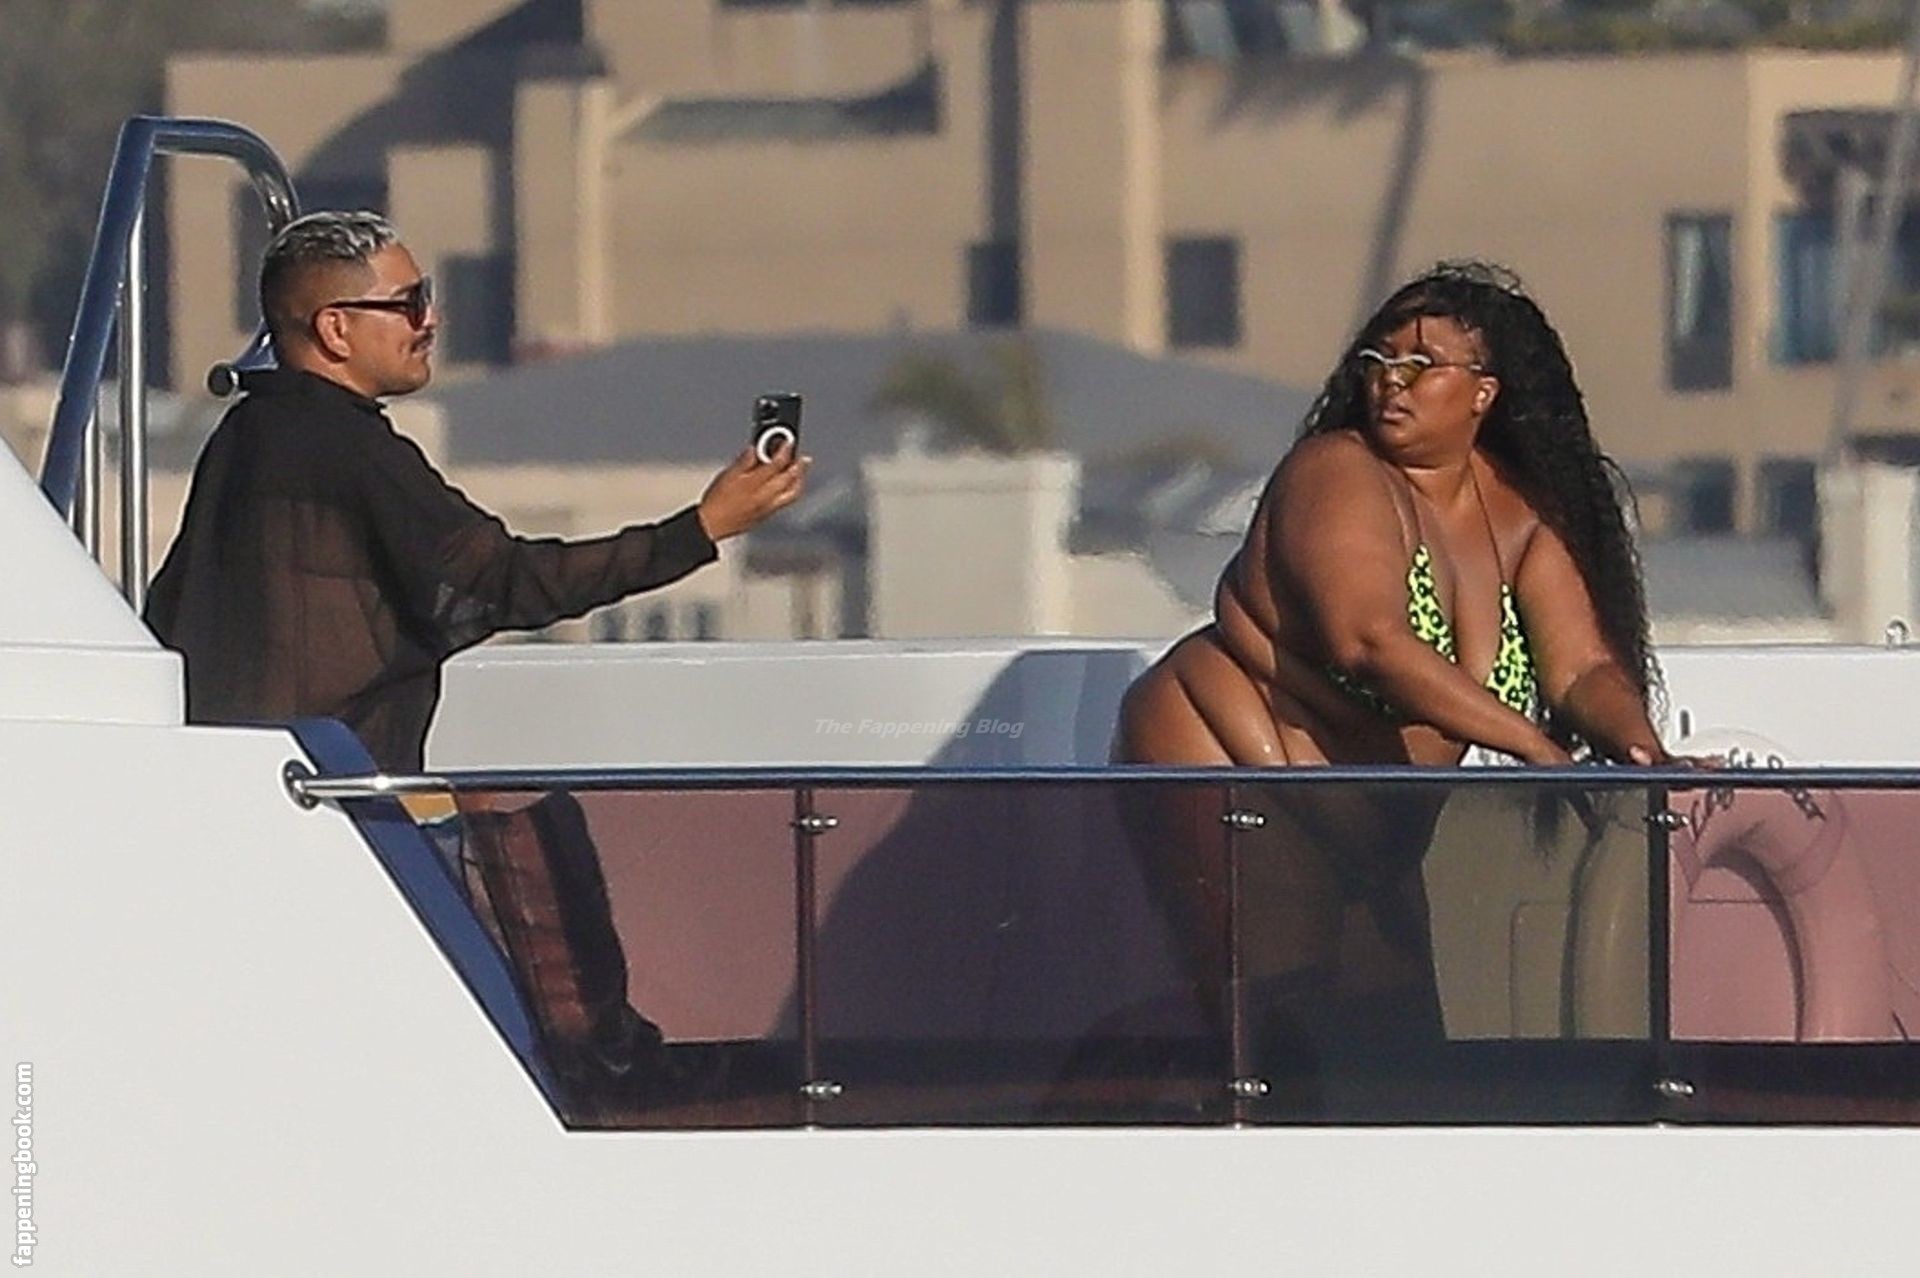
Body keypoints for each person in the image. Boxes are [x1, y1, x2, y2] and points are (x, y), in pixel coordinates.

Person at [1109, 262, 1671, 1104]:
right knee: (1280, 1044)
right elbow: (1366, 639)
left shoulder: (1520, 517)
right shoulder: (1336, 471)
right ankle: (1094, 1100)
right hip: (1231, 759)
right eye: (1378, 360)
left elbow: (1582, 667)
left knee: (1400, 1053)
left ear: (1484, 392)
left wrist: (1641, 749)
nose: (1390, 382)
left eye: (1420, 364)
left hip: (1368, 822)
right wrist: (1535, 748)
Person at [146, 210, 808, 772]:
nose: (430, 319)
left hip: (243, 786)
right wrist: (701, 529)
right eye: (408, 304)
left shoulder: (251, 432)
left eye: (427, 296)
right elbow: (507, 581)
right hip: (330, 804)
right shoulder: (348, 448)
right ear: (335, 329)